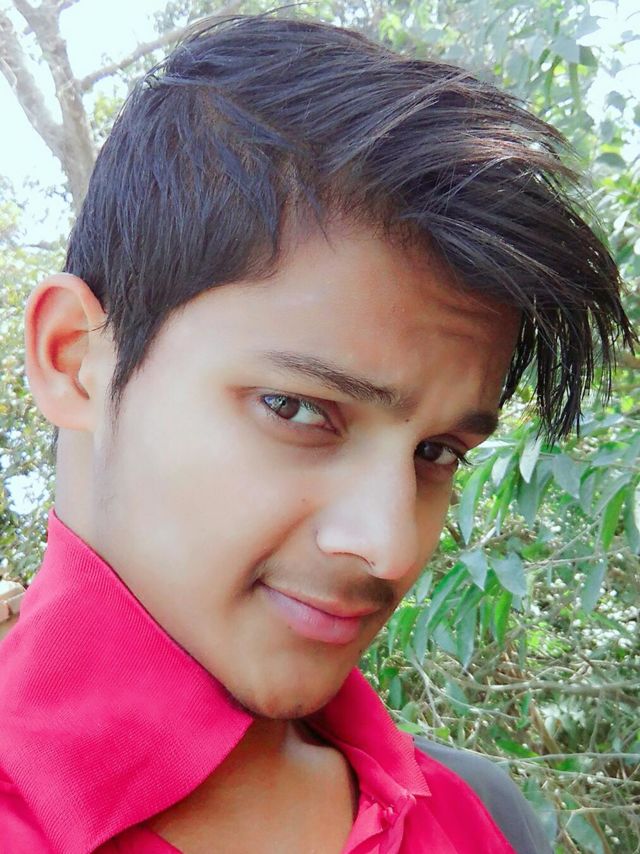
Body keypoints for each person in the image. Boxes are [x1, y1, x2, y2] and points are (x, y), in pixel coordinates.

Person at [0, 13, 634, 854]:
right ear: (74, 360)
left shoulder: (479, 816)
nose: (389, 548)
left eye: (436, 454)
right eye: (298, 410)